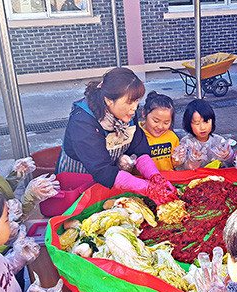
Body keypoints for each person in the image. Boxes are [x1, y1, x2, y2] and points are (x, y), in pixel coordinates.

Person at [56, 67, 177, 204]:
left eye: (137, 101)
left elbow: (140, 149)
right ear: (109, 100)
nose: (135, 107)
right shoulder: (82, 122)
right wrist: (149, 189)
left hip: (114, 180)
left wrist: (156, 177)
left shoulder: (126, 114)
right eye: (130, 102)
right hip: (78, 184)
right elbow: (103, 170)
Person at [173, 99, 234, 170]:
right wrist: (193, 160)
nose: (202, 127)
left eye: (206, 122)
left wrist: (228, 156)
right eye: (197, 124)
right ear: (189, 125)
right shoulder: (186, 143)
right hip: (195, 179)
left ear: (212, 121)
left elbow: (232, 164)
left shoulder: (219, 141)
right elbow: (182, 168)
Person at [140, 91, 179, 171]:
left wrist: (180, 159)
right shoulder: (136, 134)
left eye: (166, 122)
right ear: (144, 113)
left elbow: (176, 164)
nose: (160, 127)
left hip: (168, 179)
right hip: (143, 181)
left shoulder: (172, 137)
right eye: (156, 121)